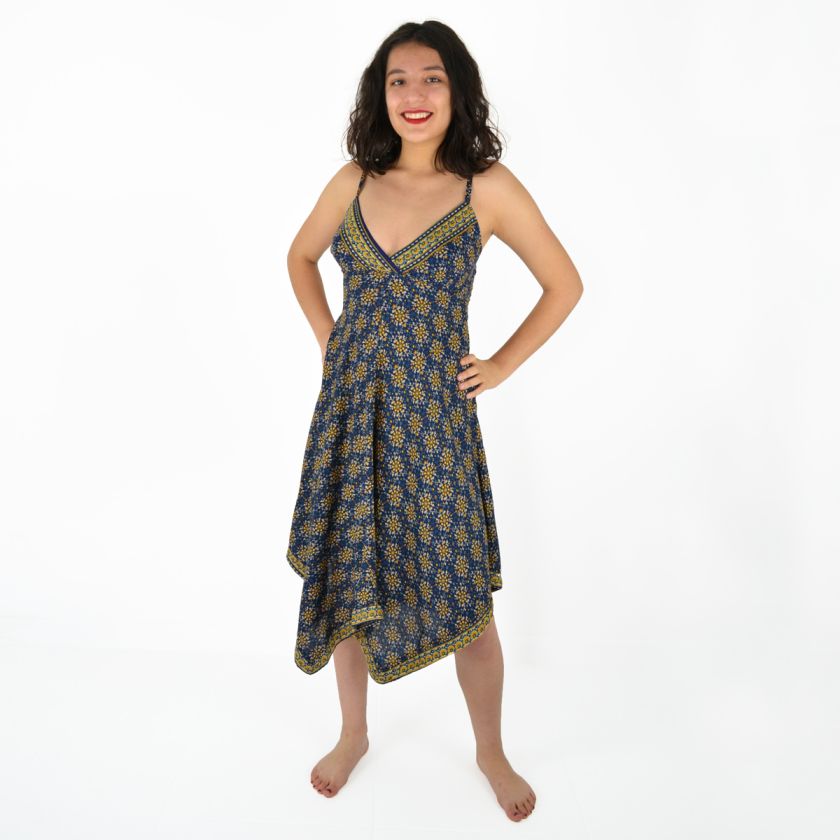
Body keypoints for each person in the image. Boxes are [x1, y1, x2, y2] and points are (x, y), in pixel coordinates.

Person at [285, 20, 583, 822]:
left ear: (457, 91)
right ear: (380, 95)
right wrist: (328, 336)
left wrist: (501, 364)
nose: (413, 95)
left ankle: (490, 750)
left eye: (431, 79)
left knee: (466, 602)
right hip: (352, 417)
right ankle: (354, 734)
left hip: (437, 428)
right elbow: (300, 257)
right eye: (398, 81)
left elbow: (564, 283)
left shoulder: (487, 188)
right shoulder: (353, 181)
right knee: (350, 579)